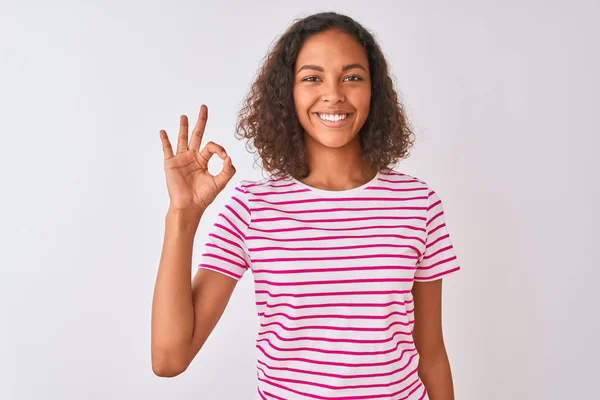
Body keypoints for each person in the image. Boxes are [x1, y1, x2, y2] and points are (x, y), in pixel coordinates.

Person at [151, 11, 460, 400]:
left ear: (374, 90)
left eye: (352, 77)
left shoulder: (417, 204)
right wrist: (183, 215)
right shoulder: (253, 208)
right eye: (312, 77)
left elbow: (430, 354)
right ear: (288, 93)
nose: (334, 94)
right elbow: (169, 359)